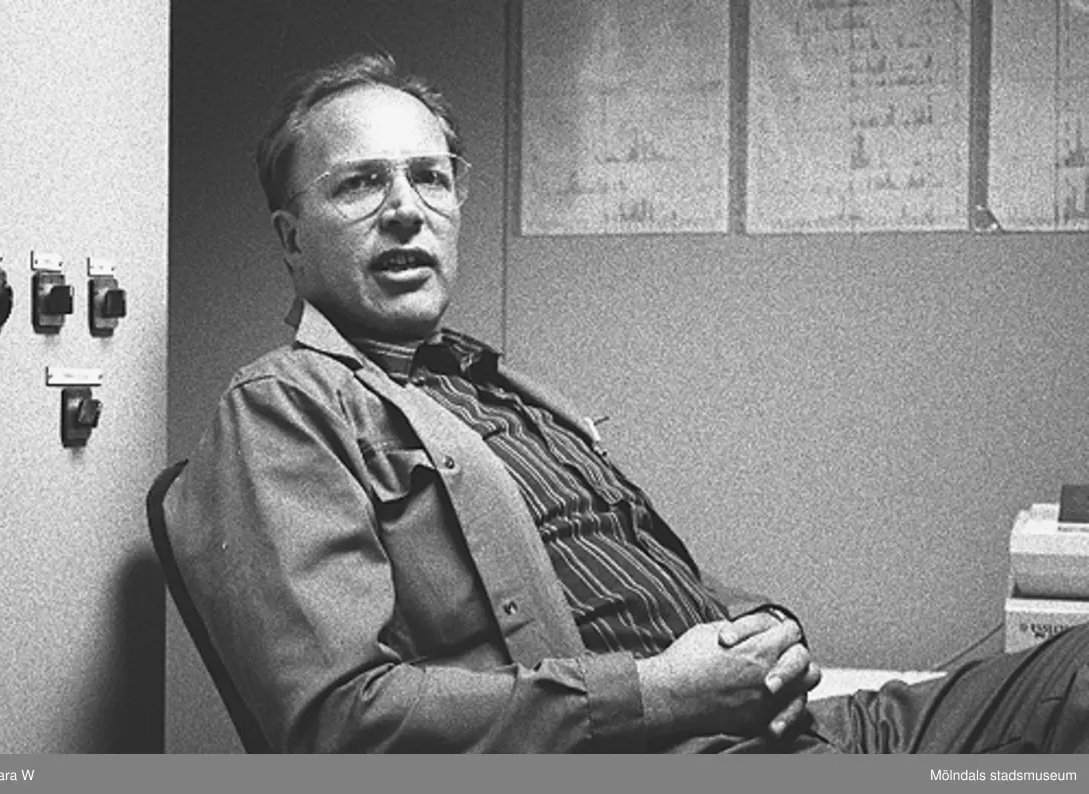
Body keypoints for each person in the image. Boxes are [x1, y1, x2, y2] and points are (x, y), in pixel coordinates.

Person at [164, 52, 1089, 753]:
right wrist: (659, 693)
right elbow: (338, 722)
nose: (407, 208)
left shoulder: (492, 385)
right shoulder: (284, 407)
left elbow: (627, 582)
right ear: (292, 239)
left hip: (803, 728)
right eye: (362, 183)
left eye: (430, 176)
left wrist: (768, 631)